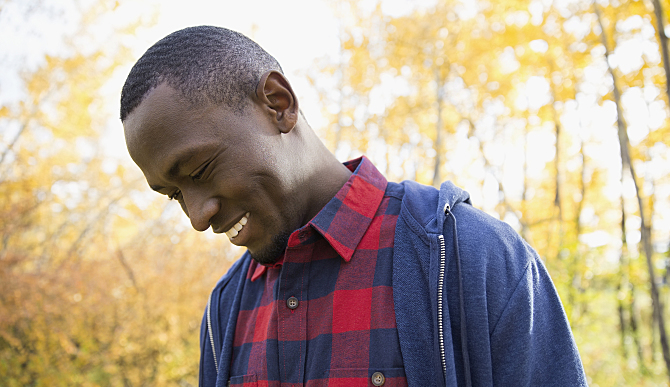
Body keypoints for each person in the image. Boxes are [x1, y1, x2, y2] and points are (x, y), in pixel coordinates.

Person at [120, 26, 587, 387]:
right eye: (175, 194)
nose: (197, 217)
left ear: (278, 104)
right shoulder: (225, 311)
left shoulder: (471, 259)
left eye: (199, 171)